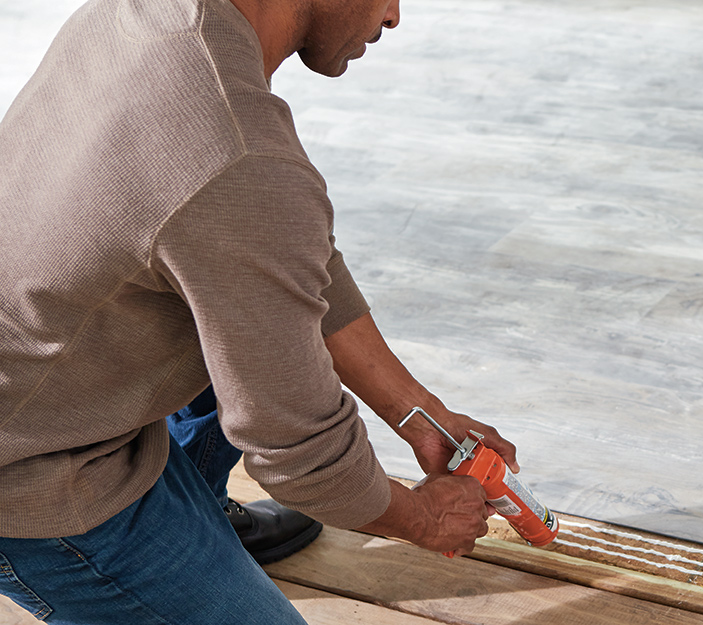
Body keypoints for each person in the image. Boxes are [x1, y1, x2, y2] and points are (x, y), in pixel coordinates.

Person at [0, 0, 519, 622]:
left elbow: (283, 258)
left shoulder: (139, 15)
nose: (395, 16)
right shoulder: (237, 154)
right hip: (34, 475)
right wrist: (425, 517)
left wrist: (421, 415)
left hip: (43, 378)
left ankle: (199, 515)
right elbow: (302, 457)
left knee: (247, 291)